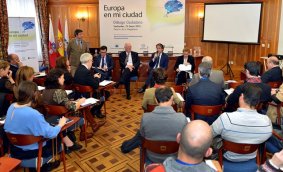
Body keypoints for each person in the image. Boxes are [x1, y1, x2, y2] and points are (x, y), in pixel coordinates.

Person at [4, 81, 67, 170]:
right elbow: (51, 134)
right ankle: (45, 165)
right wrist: (60, 125)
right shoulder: (33, 114)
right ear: (34, 94)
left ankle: (43, 167)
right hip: (34, 152)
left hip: (15, 150)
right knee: (59, 134)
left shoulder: (12, 106)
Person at [211, 83, 272, 171]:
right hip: (251, 158)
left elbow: (209, 134)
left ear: (241, 97)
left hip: (226, 158)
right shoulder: (267, 122)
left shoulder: (226, 118)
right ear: (258, 102)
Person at [42, 69, 95, 146]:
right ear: (58, 79)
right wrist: (80, 101)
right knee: (81, 116)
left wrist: (74, 102)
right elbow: (73, 107)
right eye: (62, 77)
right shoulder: (59, 92)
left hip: (49, 119)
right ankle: (81, 135)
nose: (64, 79)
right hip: (60, 121)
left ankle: (69, 140)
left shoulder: (45, 91)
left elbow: (61, 103)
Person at [140, 87, 187, 163]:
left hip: (152, 157)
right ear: (172, 98)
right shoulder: (182, 118)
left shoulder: (145, 118)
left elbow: (142, 136)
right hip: (174, 157)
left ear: (155, 99)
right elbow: (185, 140)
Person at [74, 53, 106, 119]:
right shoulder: (86, 71)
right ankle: (92, 112)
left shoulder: (78, 69)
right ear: (88, 61)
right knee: (104, 95)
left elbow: (87, 80)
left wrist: (93, 77)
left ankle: (95, 112)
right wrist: (97, 77)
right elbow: (96, 85)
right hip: (86, 96)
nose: (92, 62)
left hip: (78, 94)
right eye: (91, 61)